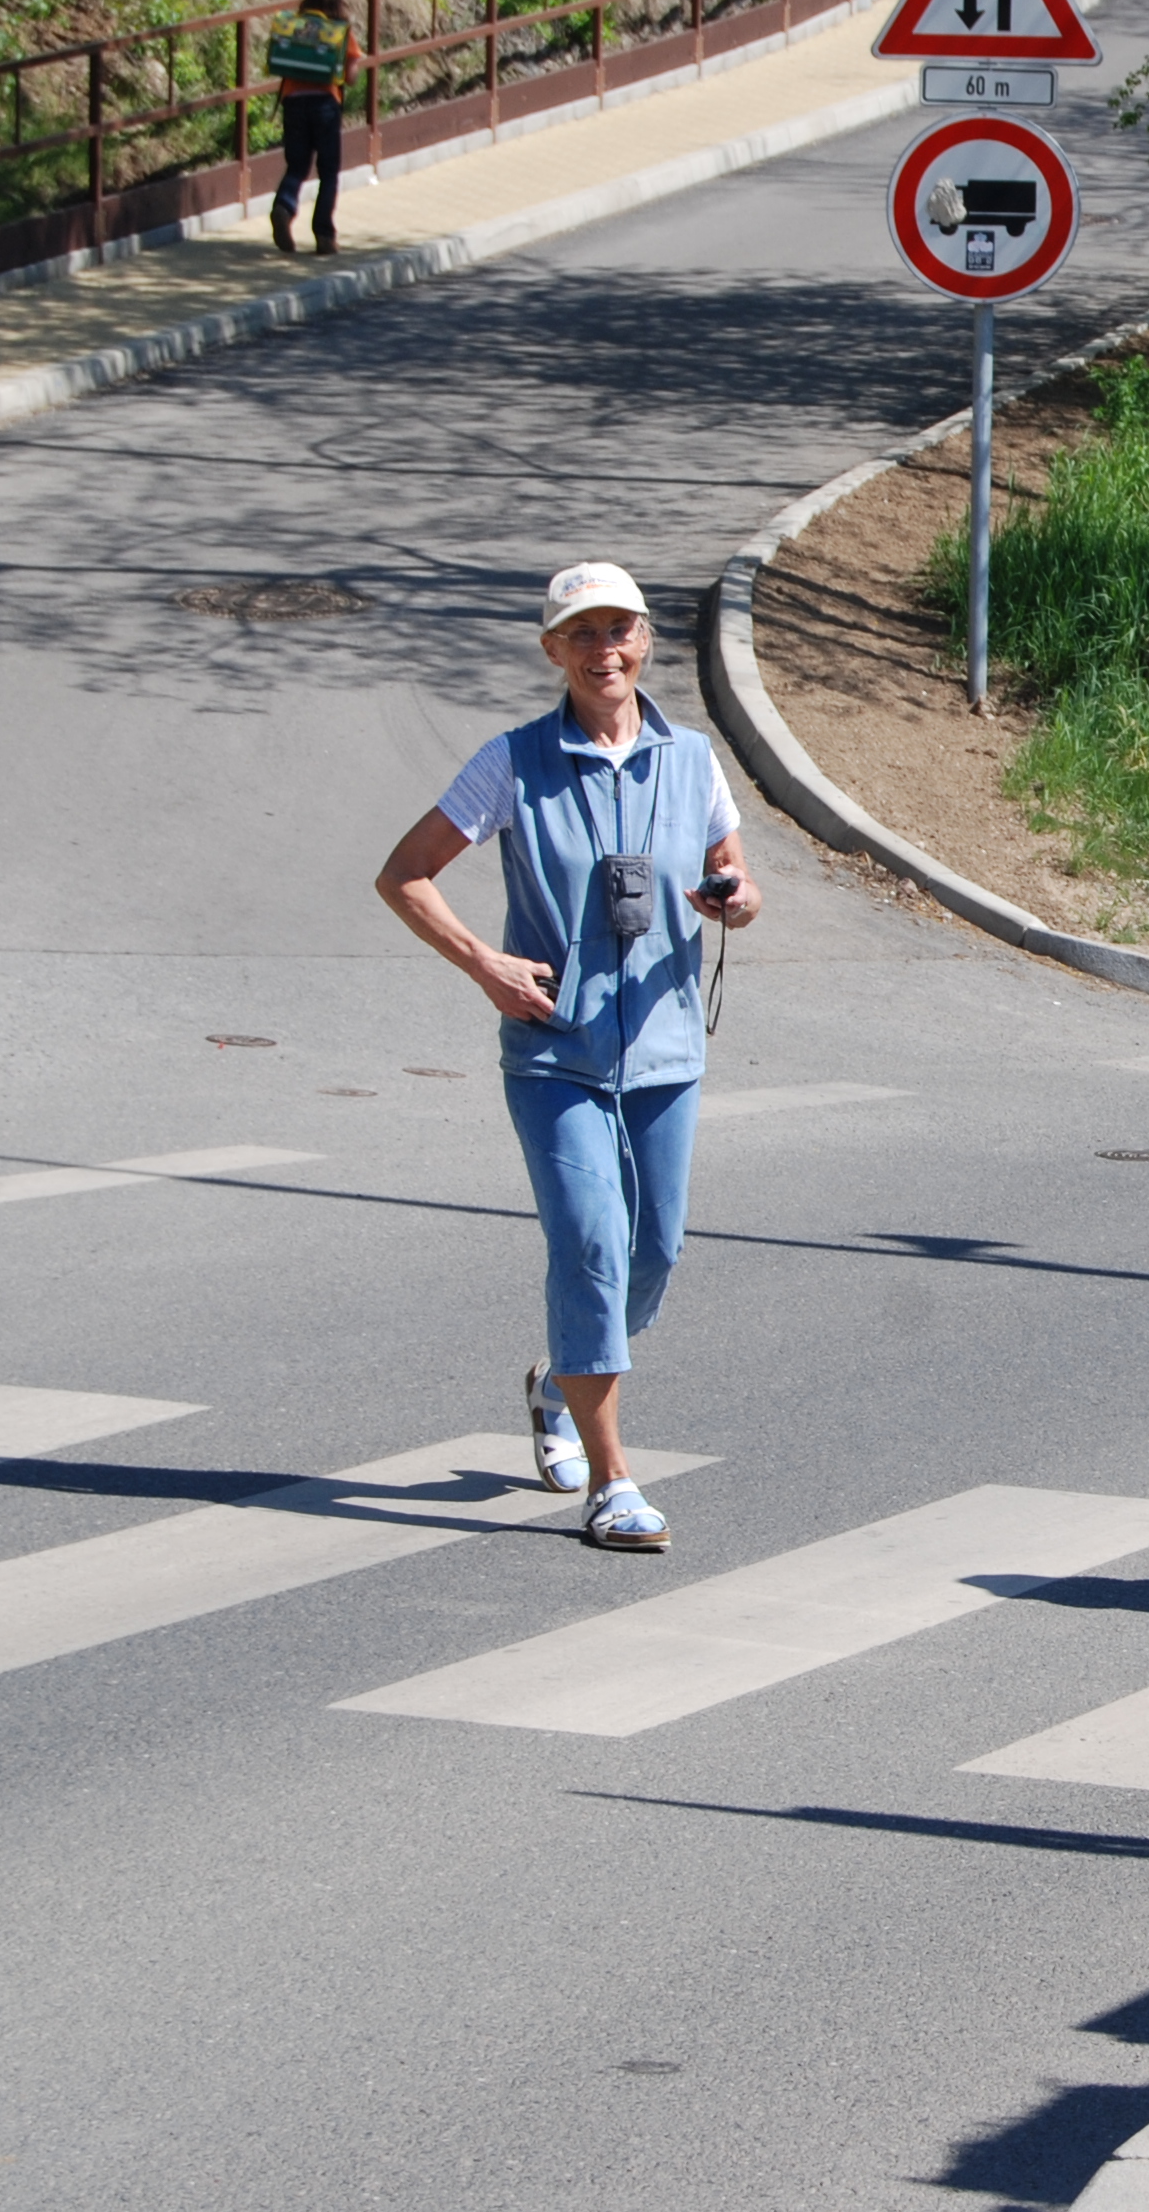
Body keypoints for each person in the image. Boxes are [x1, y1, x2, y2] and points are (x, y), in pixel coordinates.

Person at [372, 562, 757, 1553]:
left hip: (666, 1050)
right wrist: (486, 964)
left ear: (646, 639)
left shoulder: (692, 760)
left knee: (653, 1251)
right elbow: (405, 874)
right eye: (581, 634)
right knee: (589, 1244)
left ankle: (560, 1376)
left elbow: (734, 873)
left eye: (619, 629)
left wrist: (734, 899)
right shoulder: (512, 762)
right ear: (553, 650)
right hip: (555, 1055)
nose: (604, 650)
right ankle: (614, 1482)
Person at [268, 0, 358, 258]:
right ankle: (324, 235)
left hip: (294, 102)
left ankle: (284, 206)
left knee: (297, 165)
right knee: (328, 171)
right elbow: (351, 77)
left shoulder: (294, 26)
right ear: (336, 4)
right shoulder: (339, 31)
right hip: (325, 105)